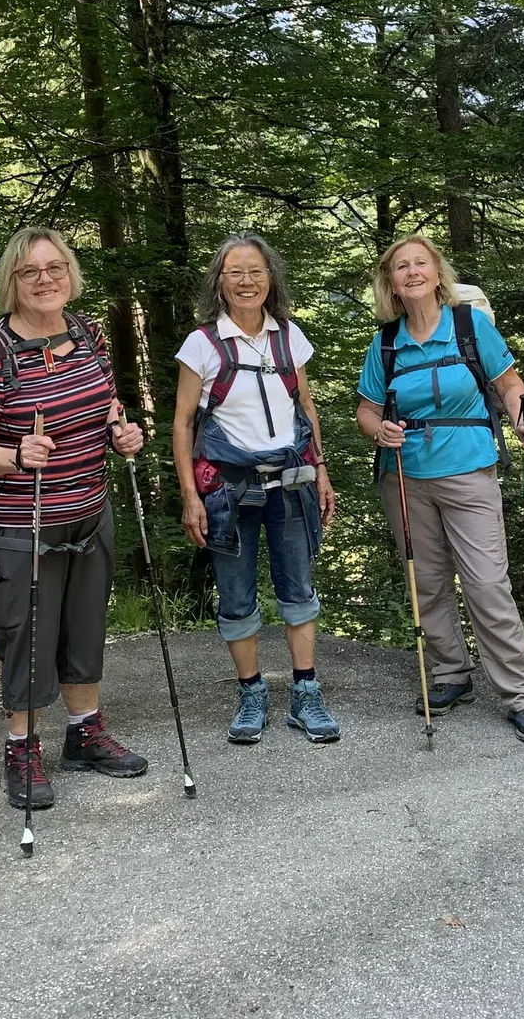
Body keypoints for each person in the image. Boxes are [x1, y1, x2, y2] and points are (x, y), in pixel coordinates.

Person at [0, 227, 148, 809]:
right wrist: (15, 456)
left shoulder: (87, 334)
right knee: (25, 637)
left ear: (70, 273)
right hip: (14, 522)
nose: (45, 279)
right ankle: (23, 747)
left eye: (55, 268)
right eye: (30, 271)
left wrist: (122, 433)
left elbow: (105, 405)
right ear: (11, 281)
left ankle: (85, 732)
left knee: (84, 627)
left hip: (86, 511)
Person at [355, 235, 524, 743]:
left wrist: (523, 423)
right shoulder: (386, 343)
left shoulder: (470, 325)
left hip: (469, 470)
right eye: (402, 267)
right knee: (427, 582)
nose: (412, 272)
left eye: (421, 263)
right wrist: (379, 431)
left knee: (487, 582)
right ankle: (449, 674)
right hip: (405, 476)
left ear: (437, 273)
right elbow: (367, 410)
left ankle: (523, 694)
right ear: (391, 282)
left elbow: (511, 385)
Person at [174, 234, 341, 746]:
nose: (247, 282)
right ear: (219, 282)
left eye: (256, 272)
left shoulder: (290, 338)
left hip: (291, 486)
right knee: (236, 596)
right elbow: (182, 424)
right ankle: (251, 694)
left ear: (271, 279)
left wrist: (322, 472)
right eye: (235, 273)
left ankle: (305, 693)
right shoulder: (201, 344)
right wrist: (189, 497)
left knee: (298, 590)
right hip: (227, 490)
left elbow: (305, 410)